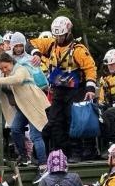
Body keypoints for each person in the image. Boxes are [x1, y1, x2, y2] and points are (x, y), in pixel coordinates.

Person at [29, 16, 98, 162]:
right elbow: (32, 42)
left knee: (72, 120)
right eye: (56, 35)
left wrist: (90, 88)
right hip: (59, 90)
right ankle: (62, 152)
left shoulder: (78, 50)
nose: (59, 38)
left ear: (68, 33)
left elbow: (90, 68)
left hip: (75, 90)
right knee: (54, 121)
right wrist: (36, 53)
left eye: (61, 35)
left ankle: (76, 153)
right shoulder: (51, 44)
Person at [0, 52, 50, 182]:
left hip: (33, 105)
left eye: (6, 67)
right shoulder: (9, 74)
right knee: (15, 129)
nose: (5, 70)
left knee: (35, 135)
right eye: (1, 69)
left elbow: (18, 79)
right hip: (23, 107)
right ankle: (24, 157)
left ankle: (44, 167)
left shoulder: (21, 68)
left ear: (11, 62)